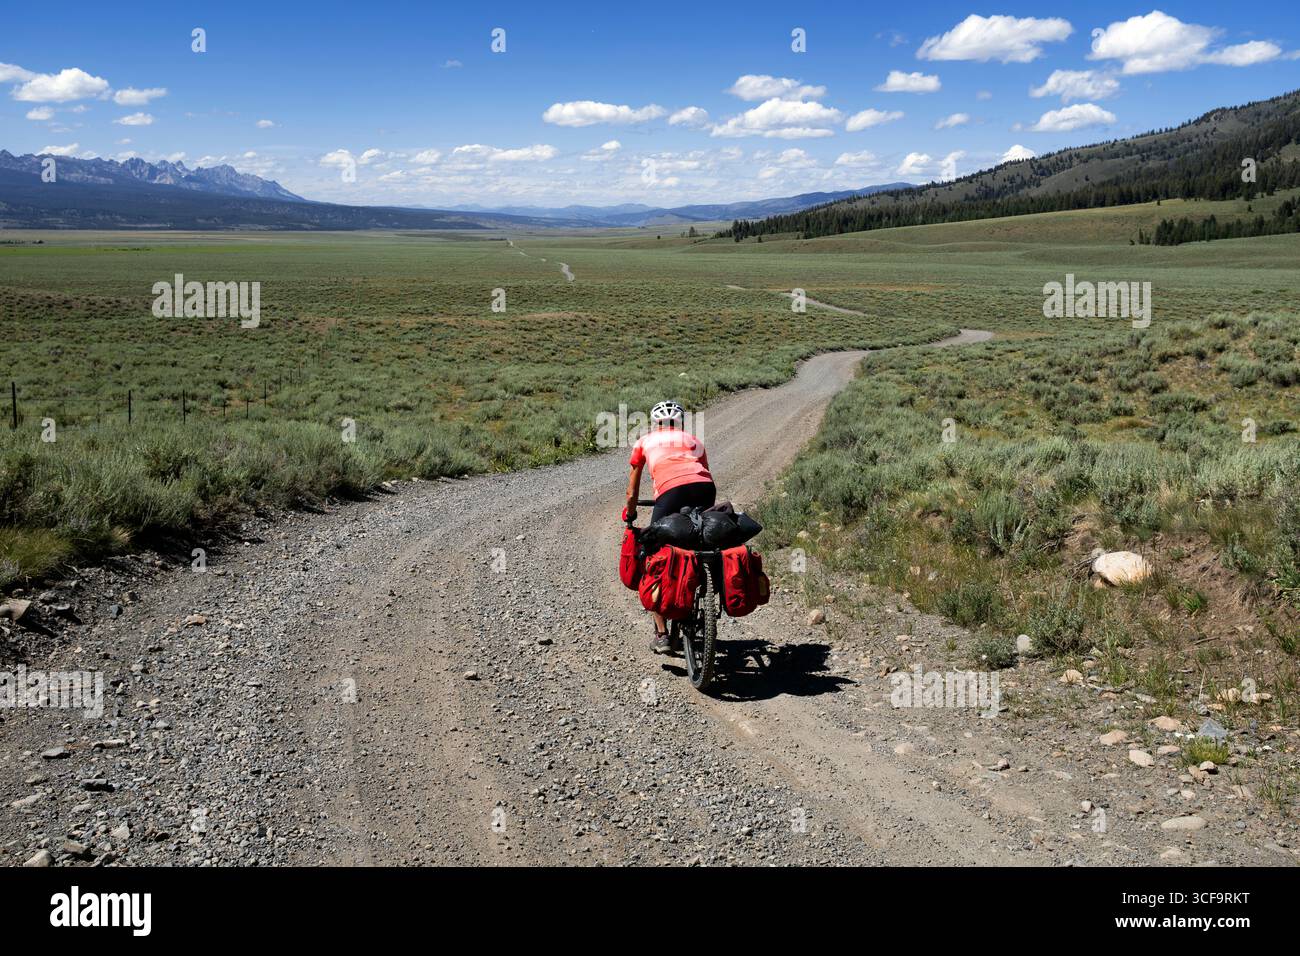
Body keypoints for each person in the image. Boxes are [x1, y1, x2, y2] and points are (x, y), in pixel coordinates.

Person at [625, 400, 716, 653]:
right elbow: (704, 473)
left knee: (651, 554)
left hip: (670, 492)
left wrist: (630, 515)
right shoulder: (693, 440)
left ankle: (663, 634)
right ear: (681, 423)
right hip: (705, 489)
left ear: (655, 424)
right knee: (699, 537)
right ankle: (703, 585)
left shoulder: (644, 441)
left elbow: (632, 491)